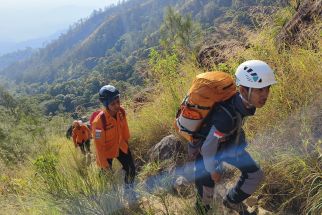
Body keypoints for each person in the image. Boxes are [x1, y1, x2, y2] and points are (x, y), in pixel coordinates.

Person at [188, 60, 277, 214]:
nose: (265, 95)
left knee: (254, 175)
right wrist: (212, 170)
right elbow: (207, 148)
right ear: (243, 90)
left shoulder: (243, 103)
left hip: (228, 144)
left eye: (267, 88)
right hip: (206, 154)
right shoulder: (226, 117)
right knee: (205, 198)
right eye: (259, 90)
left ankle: (231, 201)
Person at [91, 85, 136, 199]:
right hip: (105, 152)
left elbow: (125, 130)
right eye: (113, 104)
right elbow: (99, 146)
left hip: (120, 146)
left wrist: (127, 147)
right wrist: (105, 166)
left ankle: (129, 193)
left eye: (118, 101)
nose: (117, 105)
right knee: (106, 179)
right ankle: (109, 200)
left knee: (131, 170)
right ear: (106, 104)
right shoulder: (99, 122)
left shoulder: (121, 112)